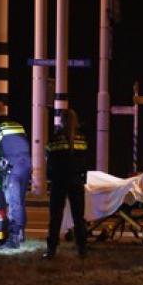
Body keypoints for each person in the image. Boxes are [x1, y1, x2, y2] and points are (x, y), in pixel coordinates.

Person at [43, 109, 88, 260]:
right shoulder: (81, 138)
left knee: (55, 216)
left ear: (61, 121)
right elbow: (85, 161)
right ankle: (82, 249)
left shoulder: (55, 138)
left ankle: (51, 250)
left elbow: (48, 160)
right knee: (78, 217)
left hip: (59, 181)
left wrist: (50, 178)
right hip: (76, 180)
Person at [0, 101, 31, 249]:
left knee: (13, 202)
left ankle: (13, 238)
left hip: (12, 167)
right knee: (21, 201)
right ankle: (21, 233)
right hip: (26, 165)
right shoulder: (18, 125)